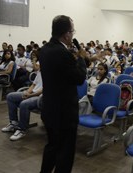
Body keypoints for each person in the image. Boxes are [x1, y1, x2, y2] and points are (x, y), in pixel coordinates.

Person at [39, 15, 86, 173]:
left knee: (52, 147)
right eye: (72, 31)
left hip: (49, 109)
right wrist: (81, 59)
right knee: (65, 154)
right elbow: (79, 78)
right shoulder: (62, 53)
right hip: (64, 113)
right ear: (66, 34)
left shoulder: (44, 49)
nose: (73, 35)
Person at [1, 70, 43, 141]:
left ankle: (22, 129)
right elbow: (33, 84)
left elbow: (45, 89)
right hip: (32, 93)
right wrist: (27, 92)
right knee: (10, 96)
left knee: (24, 103)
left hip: (40, 97)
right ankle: (14, 123)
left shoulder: (51, 72)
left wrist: (30, 95)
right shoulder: (40, 72)